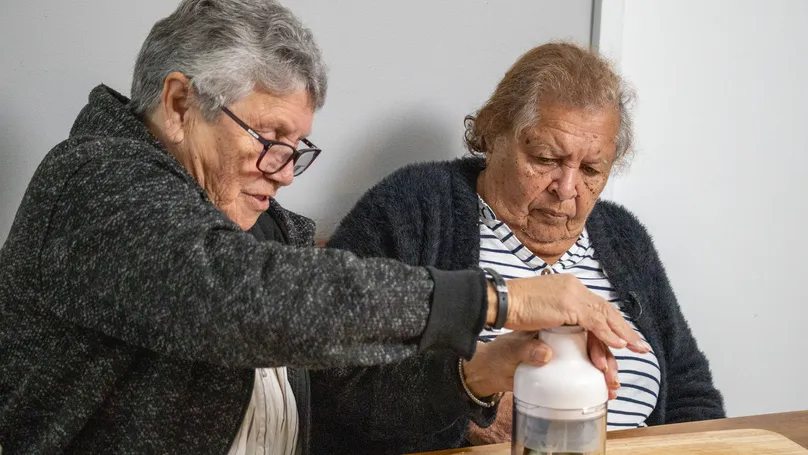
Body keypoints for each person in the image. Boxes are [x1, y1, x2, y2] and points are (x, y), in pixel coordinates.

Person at [0, 3, 652, 454]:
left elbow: (358, 402)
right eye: (269, 138)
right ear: (178, 105)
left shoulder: (260, 227)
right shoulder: (92, 184)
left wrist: (479, 372)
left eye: (297, 146)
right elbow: (242, 297)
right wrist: (497, 299)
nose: (283, 172)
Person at [315, 42, 725, 454]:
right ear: (494, 133)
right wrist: (471, 399)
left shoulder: (622, 236)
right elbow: (333, 382)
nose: (567, 190)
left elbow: (691, 391)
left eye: (590, 169)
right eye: (546, 158)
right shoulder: (417, 208)